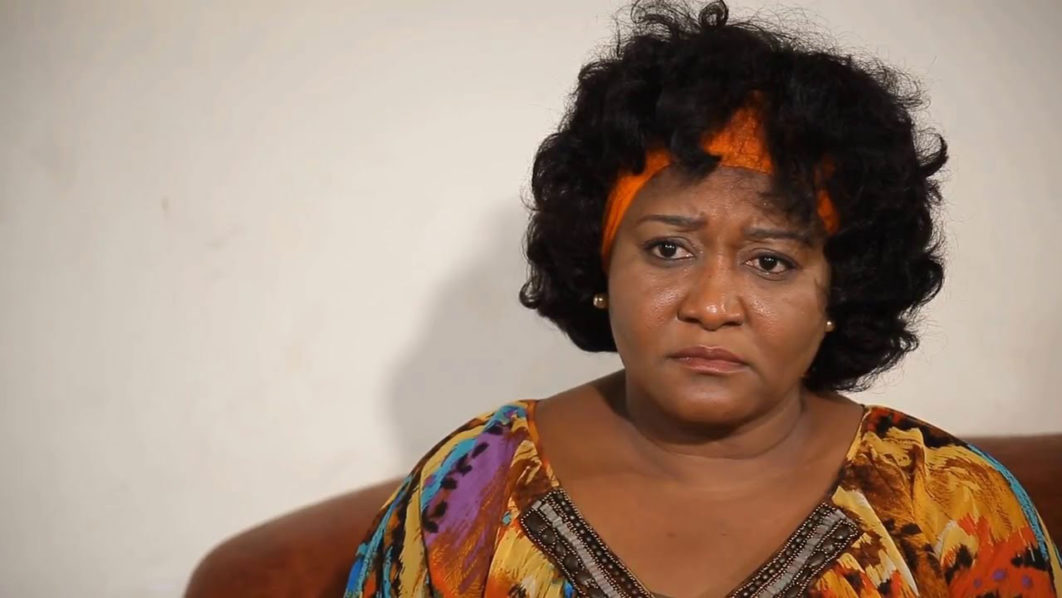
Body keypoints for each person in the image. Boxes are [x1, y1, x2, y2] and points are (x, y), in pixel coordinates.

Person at [343, 2, 1062, 596]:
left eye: (771, 262)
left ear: (839, 289)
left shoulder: (950, 509)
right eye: (668, 250)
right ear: (600, 263)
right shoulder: (474, 488)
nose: (712, 306)